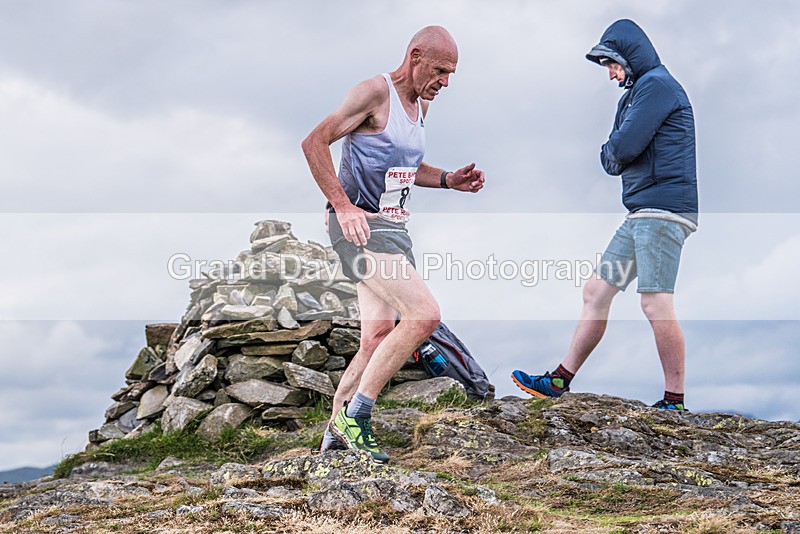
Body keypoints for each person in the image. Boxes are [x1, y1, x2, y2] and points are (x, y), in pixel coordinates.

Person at [302, 26, 486, 462]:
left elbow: (405, 164)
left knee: (377, 337)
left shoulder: (419, 105)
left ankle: (333, 439)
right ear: (416, 56)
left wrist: (447, 180)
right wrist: (343, 206)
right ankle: (357, 416)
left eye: (451, 74)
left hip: (393, 229)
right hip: (360, 228)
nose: (445, 82)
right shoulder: (373, 93)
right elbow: (314, 142)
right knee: (424, 315)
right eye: (440, 70)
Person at [512, 19, 698, 411]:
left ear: (628, 57)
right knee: (596, 291)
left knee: (654, 302)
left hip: (663, 213)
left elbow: (621, 148)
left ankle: (675, 401)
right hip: (642, 212)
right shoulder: (638, 91)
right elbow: (616, 152)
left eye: (612, 65)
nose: (611, 74)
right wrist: (612, 152)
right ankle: (559, 381)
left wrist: (612, 151)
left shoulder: (656, 86)